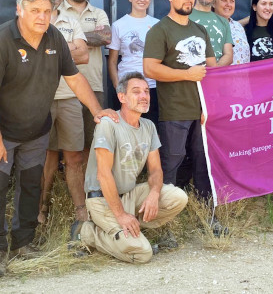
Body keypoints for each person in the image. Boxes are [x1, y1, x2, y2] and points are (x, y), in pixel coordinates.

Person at [0, 0, 117, 277]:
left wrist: (97, 110)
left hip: (37, 130)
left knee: (31, 185)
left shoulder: (54, 36)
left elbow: (75, 78)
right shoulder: (1, 40)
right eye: (35, 11)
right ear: (19, 10)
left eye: (47, 11)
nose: (42, 17)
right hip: (0, 130)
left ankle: (23, 243)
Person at [70, 72, 189, 263]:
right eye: (136, 92)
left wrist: (154, 194)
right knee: (142, 253)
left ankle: (125, 230)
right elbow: (103, 175)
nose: (143, 96)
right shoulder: (108, 124)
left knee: (178, 197)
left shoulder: (148, 126)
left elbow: (156, 170)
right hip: (102, 199)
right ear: (122, 97)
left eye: (146, 91)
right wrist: (121, 214)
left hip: (129, 196)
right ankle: (88, 233)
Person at [143, 0, 223, 233]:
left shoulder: (199, 29)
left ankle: (207, 217)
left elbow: (212, 70)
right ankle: (164, 224)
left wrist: (210, 106)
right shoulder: (160, 30)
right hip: (174, 111)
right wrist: (186, 74)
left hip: (201, 112)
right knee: (171, 164)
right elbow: (150, 69)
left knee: (204, 165)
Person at [35, 0, 90, 226]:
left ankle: (81, 213)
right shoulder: (32, 18)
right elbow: (34, 51)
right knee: (45, 158)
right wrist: (66, 48)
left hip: (69, 96)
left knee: (74, 157)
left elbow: (84, 55)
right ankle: (40, 210)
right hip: (41, 99)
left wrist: (51, 48)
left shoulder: (70, 19)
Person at [57, 0, 112, 151]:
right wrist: (88, 37)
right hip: (62, 88)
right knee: (55, 149)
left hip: (93, 86)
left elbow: (105, 37)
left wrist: (72, 38)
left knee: (91, 143)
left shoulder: (98, 13)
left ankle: (86, 181)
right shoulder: (57, 12)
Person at [108, 0, 160, 124]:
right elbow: (112, 61)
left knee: (150, 129)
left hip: (152, 87)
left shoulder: (158, 25)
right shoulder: (119, 25)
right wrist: (118, 86)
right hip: (127, 87)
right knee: (126, 128)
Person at [188, 0, 234, 66]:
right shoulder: (184, 17)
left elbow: (229, 55)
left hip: (216, 79)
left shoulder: (223, 21)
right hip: (190, 78)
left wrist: (213, 72)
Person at [213, 0, 250, 65]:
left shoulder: (238, 26)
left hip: (242, 76)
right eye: (224, 0)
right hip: (221, 75)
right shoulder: (208, 25)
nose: (228, 4)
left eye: (232, 1)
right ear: (213, 3)